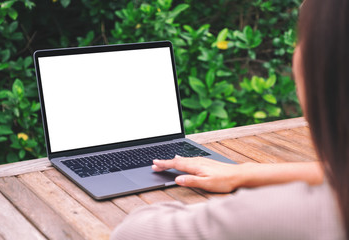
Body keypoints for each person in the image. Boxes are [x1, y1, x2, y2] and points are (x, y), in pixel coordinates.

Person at [111, 0, 348, 239]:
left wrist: (230, 211)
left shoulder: (291, 214)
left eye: (301, 37)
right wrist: (243, 173)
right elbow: (336, 173)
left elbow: (131, 232)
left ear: (326, 63)